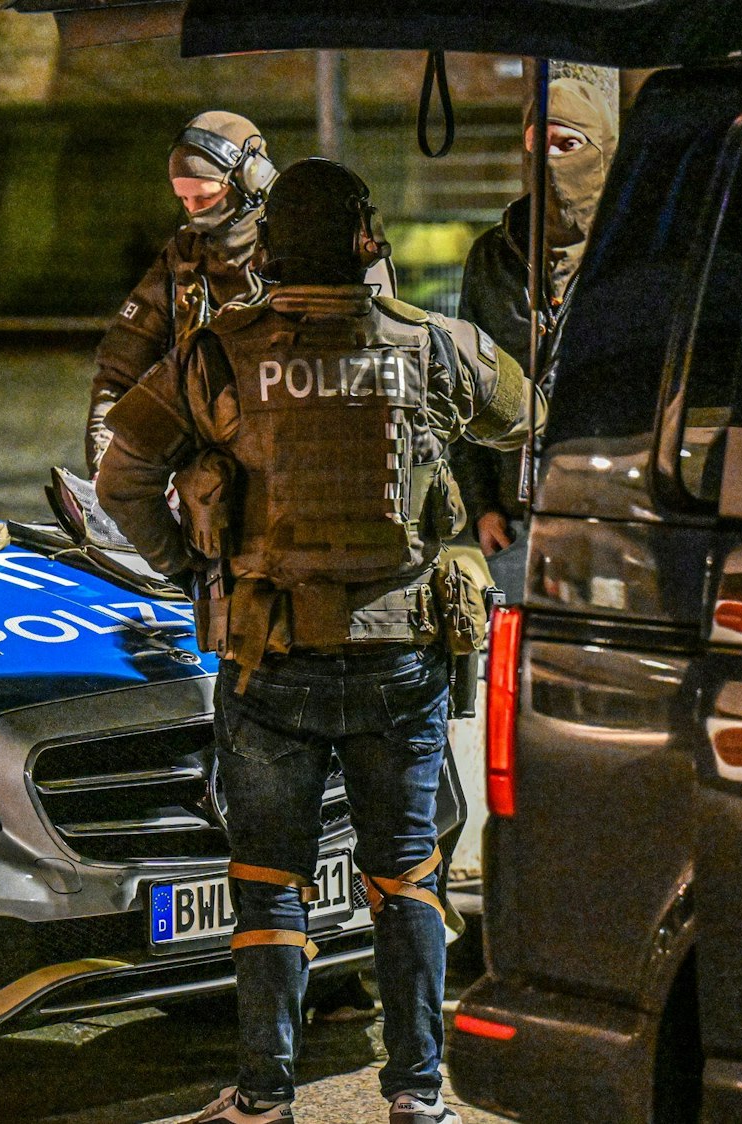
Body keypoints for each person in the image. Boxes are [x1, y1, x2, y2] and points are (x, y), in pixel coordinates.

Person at [97, 159, 534, 1124]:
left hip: (270, 657)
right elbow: (525, 417)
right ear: (365, 241)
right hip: (400, 657)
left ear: (269, 249)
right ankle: (418, 1096)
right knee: (408, 875)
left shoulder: (215, 354)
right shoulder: (434, 345)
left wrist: (188, 569)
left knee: (266, 889)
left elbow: (120, 478)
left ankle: (263, 1099)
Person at [455, 69, 618, 601]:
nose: (548, 161)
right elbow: (463, 388)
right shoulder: (493, 258)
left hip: (609, 522)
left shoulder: (632, 258)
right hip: (514, 523)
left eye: (567, 145)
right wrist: (482, 507)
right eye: (535, 145)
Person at [86, 110, 278, 474]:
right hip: (202, 472)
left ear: (251, 182)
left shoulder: (299, 253)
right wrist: (104, 462)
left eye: (205, 199)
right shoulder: (185, 258)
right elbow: (118, 374)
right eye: (183, 200)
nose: (194, 214)